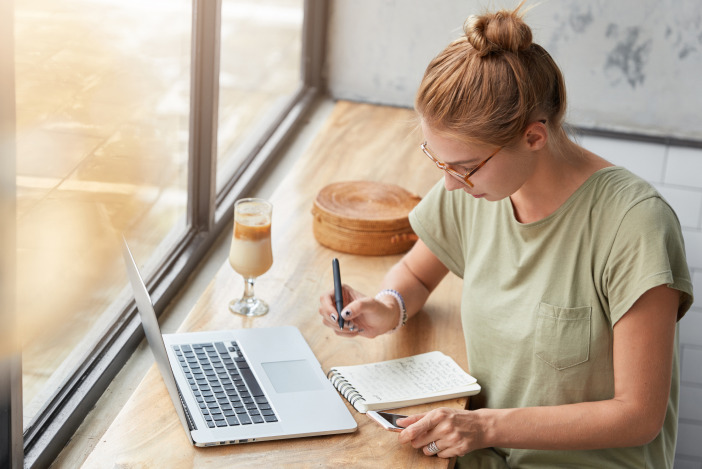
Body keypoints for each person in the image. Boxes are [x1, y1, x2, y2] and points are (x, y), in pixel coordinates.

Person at [318, 2, 694, 468]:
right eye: (438, 162)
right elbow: (415, 273)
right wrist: (386, 307)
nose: (451, 183)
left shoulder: (634, 224)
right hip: (485, 453)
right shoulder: (478, 189)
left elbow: (638, 415)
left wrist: (485, 426)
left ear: (534, 137)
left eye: (463, 168)